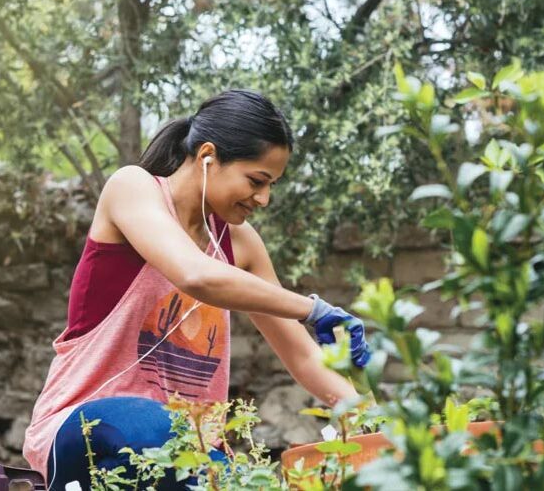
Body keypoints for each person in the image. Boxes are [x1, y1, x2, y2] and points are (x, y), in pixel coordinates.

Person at [23, 89, 372, 490]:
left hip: (190, 456)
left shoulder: (241, 243)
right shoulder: (133, 188)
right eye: (256, 181)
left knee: (234, 474)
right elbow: (196, 275)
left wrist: (377, 426)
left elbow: (304, 358)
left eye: (272, 185)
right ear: (208, 156)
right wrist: (312, 309)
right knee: (162, 433)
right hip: (84, 428)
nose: (264, 198)